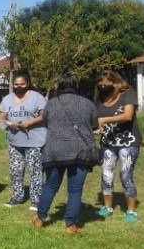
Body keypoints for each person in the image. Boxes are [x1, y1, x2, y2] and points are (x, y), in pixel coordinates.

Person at [32, 73, 99, 235]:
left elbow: (46, 122)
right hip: (80, 151)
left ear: (59, 86)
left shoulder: (51, 104)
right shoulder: (87, 103)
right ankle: (71, 225)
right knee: (75, 190)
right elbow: (94, 125)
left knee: (51, 185)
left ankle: (40, 218)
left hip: (54, 150)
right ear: (76, 86)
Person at [94, 70, 141, 222]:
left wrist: (104, 121)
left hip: (129, 142)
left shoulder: (127, 94)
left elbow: (128, 116)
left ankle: (131, 211)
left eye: (106, 85)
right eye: (100, 85)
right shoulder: (99, 99)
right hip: (108, 142)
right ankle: (107, 207)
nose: (102, 87)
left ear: (115, 83)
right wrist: (98, 128)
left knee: (125, 174)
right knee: (106, 174)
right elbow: (97, 120)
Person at [0, 70, 46, 211]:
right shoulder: (7, 99)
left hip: (35, 140)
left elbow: (45, 115)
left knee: (35, 171)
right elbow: (1, 116)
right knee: (15, 170)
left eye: (22, 84)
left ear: (28, 83)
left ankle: (36, 200)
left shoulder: (37, 97)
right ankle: (17, 196)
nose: (19, 87)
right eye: (16, 84)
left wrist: (30, 122)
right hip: (14, 140)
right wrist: (6, 123)